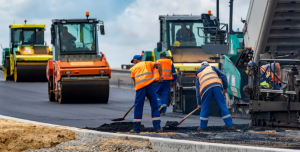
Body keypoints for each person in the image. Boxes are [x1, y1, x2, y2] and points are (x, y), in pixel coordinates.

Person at [196, 61, 235, 130]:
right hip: (217, 86)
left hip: (205, 89)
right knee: (223, 105)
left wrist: (199, 103)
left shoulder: (199, 74)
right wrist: (225, 87)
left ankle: (202, 127)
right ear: (208, 65)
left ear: (201, 67)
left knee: (204, 107)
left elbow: (197, 90)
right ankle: (230, 125)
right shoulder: (212, 68)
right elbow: (223, 76)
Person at [130, 55, 164, 133]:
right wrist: (161, 75)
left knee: (138, 107)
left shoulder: (133, 68)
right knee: (154, 106)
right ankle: (157, 128)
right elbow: (159, 64)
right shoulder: (147, 63)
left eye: (133, 62)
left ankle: (136, 128)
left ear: (135, 61)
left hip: (140, 88)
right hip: (150, 86)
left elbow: (135, 82)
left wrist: (142, 93)